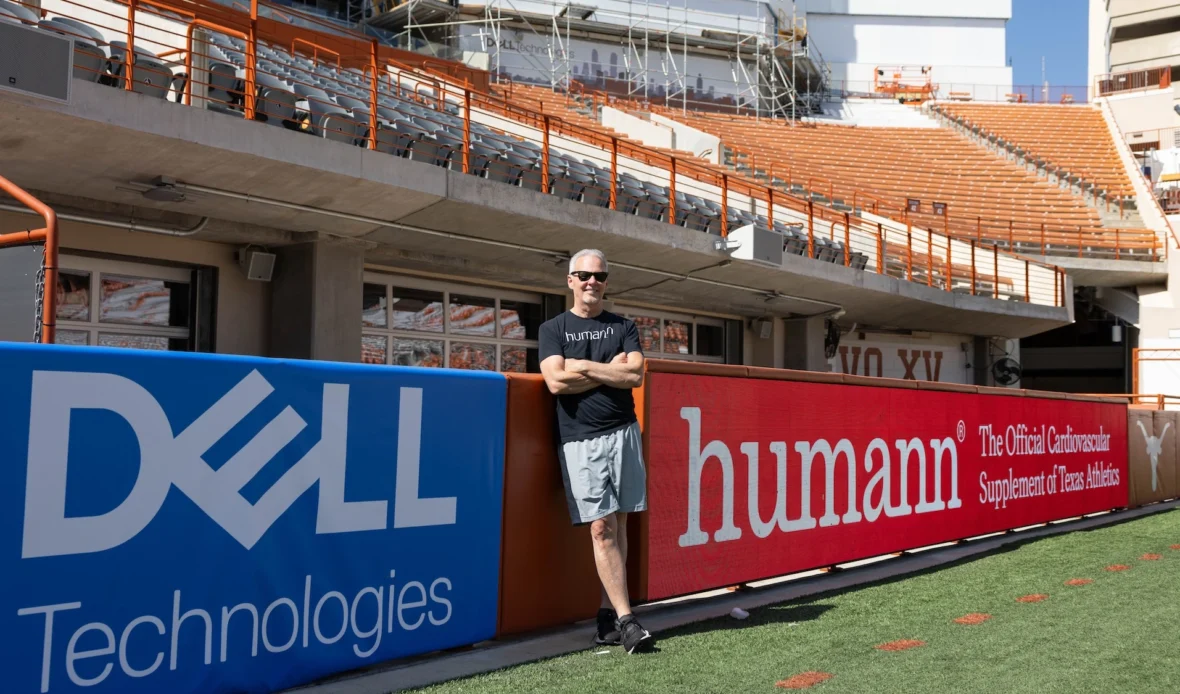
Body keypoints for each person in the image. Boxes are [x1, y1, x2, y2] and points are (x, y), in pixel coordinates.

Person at [538, 248, 655, 654]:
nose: (592, 282)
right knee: (601, 527)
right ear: (570, 279)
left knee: (618, 525)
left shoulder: (623, 325)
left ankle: (607, 615)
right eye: (584, 275)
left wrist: (582, 367)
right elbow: (555, 383)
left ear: (607, 282)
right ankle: (627, 621)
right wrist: (609, 371)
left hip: (623, 432)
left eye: (599, 276)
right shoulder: (553, 329)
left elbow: (635, 374)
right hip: (579, 438)